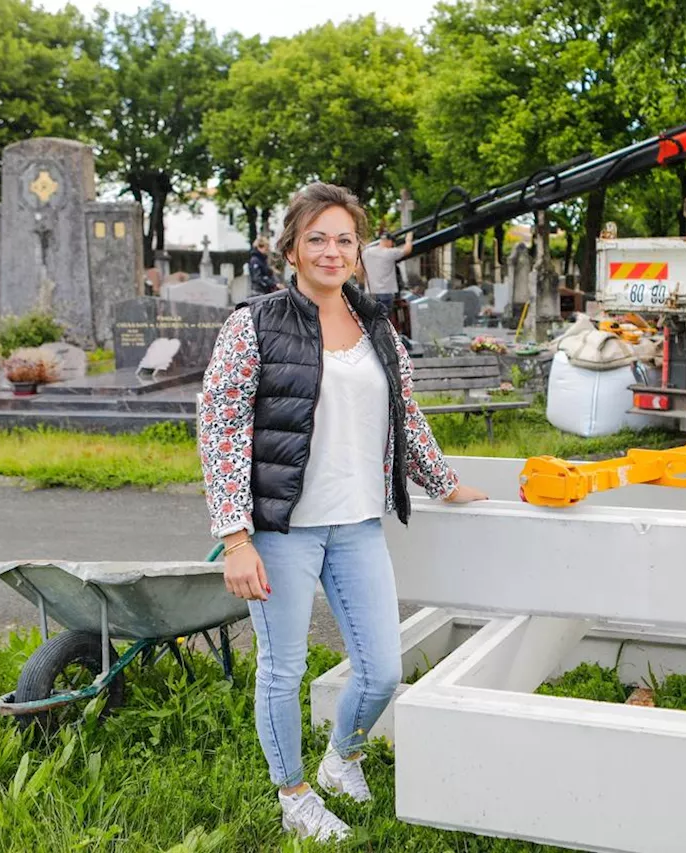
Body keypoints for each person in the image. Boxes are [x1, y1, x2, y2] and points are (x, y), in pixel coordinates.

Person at [198, 182, 487, 843]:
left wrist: (445, 484)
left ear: (360, 252)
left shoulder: (378, 327)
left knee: (382, 667)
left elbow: (405, 417)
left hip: (357, 524)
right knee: (283, 667)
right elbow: (222, 429)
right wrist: (235, 535)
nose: (332, 251)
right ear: (293, 249)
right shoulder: (253, 325)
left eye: (344, 239)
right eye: (317, 238)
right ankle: (293, 795)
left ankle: (341, 756)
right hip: (282, 530)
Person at [360, 228, 411, 311]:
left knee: (371, 318)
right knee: (384, 319)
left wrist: (362, 284)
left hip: (370, 293)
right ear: (389, 241)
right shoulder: (390, 253)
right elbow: (407, 250)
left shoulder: (367, 252)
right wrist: (408, 239)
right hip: (385, 293)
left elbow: (360, 269)